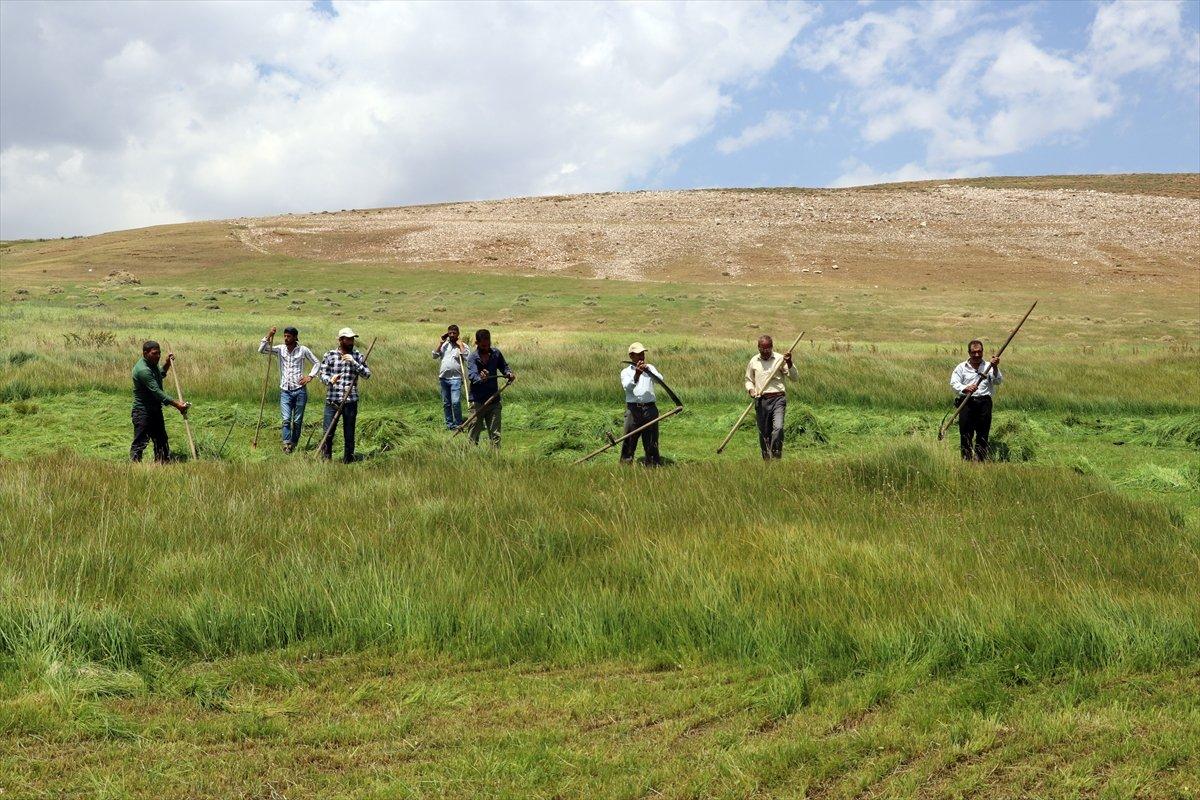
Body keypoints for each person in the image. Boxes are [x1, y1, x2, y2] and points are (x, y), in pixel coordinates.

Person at [259, 325, 320, 453]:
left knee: (297, 421)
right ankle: (286, 444)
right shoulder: (280, 349)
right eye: (285, 336)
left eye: (289, 336)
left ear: (295, 337)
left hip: (300, 390)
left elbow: (317, 363)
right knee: (286, 419)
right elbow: (262, 350)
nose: (286, 339)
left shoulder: (303, 350)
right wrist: (269, 335)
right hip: (285, 391)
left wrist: (310, 376)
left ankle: (294, 443)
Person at [130, 340, 190, 463]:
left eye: (159, 353)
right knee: (140, 441)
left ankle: (162, 465)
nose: (158, 356)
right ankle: (134, 468)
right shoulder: (143, 370)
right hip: (143, 411)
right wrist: (177, 404)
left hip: (155, 410)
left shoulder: (152, 364)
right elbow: (157, 391)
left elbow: (160, 374)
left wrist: (167, 363)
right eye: (154, 353)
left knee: (161, 440)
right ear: (145, 353)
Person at [318, 327, 372, 462]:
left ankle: (348, 460)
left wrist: (354, 363)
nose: (351, 342)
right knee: (328, 432)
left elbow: (367, 374)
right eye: (348, 339)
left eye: (352, 339)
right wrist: (330, 380)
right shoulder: (329, 355)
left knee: (349, 433)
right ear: (340, 340)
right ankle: (326, 459)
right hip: (332, 400)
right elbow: (322, 374)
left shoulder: (357, 356)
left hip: (350, 400)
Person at [744, 335, 797, 460]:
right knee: (764, 433)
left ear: (772, 347)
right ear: (758, 348)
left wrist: (789, 362)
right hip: (761, 400)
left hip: (778, 399)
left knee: (778, 428)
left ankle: (776, 453)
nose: (765, 352)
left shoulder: (780, 359)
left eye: (768, 349)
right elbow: (748, 380)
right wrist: (751, 390)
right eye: (762, 349)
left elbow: (794, 378)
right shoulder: (754, 361)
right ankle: (766, 458)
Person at [950, 339, 1003, 461]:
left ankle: (980, 460)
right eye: (974, 352)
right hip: (966, 403)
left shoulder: (989, 366)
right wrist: (965, 388)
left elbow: (998, 381)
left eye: (979, 352)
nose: (977, 355)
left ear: (982, 352)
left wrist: (995, 368)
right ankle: (966, 460)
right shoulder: (961, 367)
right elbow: (954, 383)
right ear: (969, 352)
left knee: (983, 433)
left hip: (984, 403)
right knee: (965, 433)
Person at [466, 329, 514, 447]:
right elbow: (472, 376)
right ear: (477, 343)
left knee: (495, 434)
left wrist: (509, 373)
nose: (486, 347)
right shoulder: (472, 358)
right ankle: (471, 457)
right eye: (483, 345)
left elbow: (504, 367)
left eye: (488, 345)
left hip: (494, 399)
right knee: (474, 432)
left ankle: (495, 459)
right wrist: (481, 378)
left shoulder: (496, 354)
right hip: (477, 401)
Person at [619, 342, 663, 465]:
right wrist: (637, 375)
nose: (642, 357)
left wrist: (649, 371)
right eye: (639, 354)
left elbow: (660, 380)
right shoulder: (625, 372)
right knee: (629, 439)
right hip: (633, 410)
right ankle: (625, 466)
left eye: (643, 354)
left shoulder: (650, 368)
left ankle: (653, 465)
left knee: (651, 440)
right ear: (631, 356)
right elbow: (628, 388)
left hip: (650, 409)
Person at [432, 324, 469, 430]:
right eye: (450, 333)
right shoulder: (444, 345)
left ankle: (458, 424)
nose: (452, 335)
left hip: (456, 378)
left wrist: (460, 345)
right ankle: (449, 425)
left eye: (454, 333)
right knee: (446, 403)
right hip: (443, 378)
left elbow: (467, 357)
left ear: (458, 334)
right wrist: (440, 343)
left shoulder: (462, 345)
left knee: (456, 402)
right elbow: (434, 356)